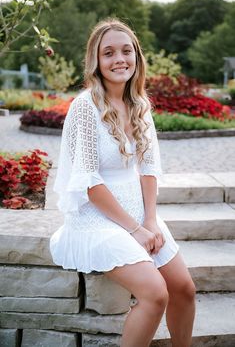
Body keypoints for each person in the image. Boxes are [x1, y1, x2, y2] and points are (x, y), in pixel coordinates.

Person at [50, 18, 196, 347]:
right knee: (155, 293)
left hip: (136, 213)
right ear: (96, 62)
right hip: (94, 217)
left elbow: (148, 168)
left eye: (126, 51)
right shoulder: (84, 108)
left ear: (137, 57)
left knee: (184, 289)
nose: (120, 59)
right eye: (109, 53)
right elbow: (88, 182)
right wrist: (134, 229)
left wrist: (149, 220)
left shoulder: (140, 105)